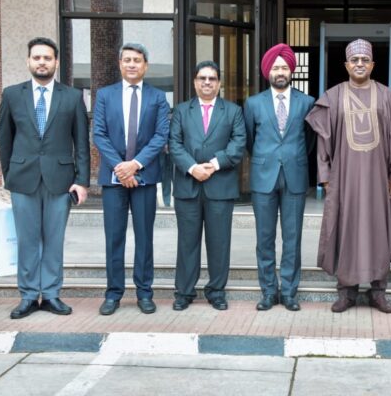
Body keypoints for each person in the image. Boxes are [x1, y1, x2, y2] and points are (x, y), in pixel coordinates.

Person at [306, 38, 391, 314]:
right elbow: (323, 141)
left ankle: (378, 291)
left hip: (378, 180)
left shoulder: (387, 96)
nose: (359, 64)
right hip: (344, 179)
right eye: (354, 60)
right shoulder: (333, 96)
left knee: (379, 229)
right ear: (346, 65)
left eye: (365, 60)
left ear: (373, 64)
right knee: (345, 229)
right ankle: (346, 292)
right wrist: (325, 176)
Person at [0, 37, 90, 319]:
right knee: (27, 239)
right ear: (28, 61)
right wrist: (10, 175)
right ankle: (27, 296)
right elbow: (4, 138)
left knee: (53, 239)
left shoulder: (72, 96)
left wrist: (82, 181)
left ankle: (50, 294)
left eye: (47, 58)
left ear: (56, 62)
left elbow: (82, 142)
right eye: (36, 57)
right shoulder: (12, 95)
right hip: (22, 180)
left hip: (60, 180)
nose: (41, 62)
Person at [93, 42, 170, 315]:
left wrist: (135, 165)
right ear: (120, 63)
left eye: (137, 60)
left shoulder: (158, 97)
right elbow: (98, 134)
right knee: (114, 237)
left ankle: (144, 292)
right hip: (114, 179)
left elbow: (161, 136)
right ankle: (113, 293)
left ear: (145, 65)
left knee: (144, 237)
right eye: (127, 59)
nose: (132, 64)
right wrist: (120, 168)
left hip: (145, 178)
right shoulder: (105, 95)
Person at [169, 61, 245, 312]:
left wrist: (213, 165)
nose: (207, 82)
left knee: (219, 242)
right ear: (195, 82)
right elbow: (174, 144)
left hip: (220, 186)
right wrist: (193, 168)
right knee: (187, 243)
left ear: (219, 83)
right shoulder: (181, 111)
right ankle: (184, 291)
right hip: (188, 186)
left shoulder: (233, 111)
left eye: (212, 78)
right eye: (202, 78)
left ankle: (216, 291)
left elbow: (238, 144)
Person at [244, 44, 315, 312]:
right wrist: (268, 158)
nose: (280, 72)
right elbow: (251, 139)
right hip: (263, 177)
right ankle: (268, 291)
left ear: (291, 70)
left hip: (295, 177)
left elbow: (309, 140)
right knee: (264, 238)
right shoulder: (253, 103)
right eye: (275, 68)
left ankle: (289, 292)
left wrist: (290, 157)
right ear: (267, 72)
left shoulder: (307, 102)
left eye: (284, 67)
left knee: (292, 237)